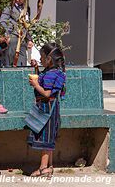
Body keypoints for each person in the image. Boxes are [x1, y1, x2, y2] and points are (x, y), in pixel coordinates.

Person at [27, 43, 66, 178]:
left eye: (42, 57)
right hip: (50, 109)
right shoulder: (54, 72)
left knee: (45, 139)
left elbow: (47, 93)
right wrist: (37, 69)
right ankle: (49, 166)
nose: (41, 59)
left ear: (49, 59)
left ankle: (43, 168)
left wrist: (36, 84)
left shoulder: (51, 74)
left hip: (47, 109)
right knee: (49, 138)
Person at [0, 0, 33, 67]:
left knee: (22, 61)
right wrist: (7, 35)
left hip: (22, 39)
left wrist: (29, 39)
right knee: (11, 61)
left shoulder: (26, 9)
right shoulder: (9, 8)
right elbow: (3, 22)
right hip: (12, 37)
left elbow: (27, 25)